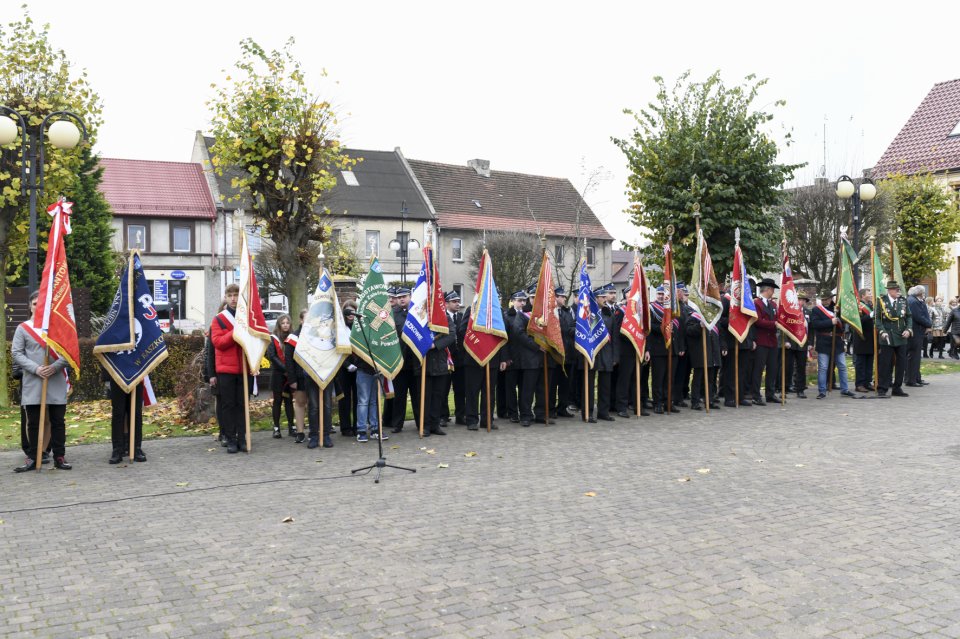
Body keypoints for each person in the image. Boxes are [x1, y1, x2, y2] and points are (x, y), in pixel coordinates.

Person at [13, 291, 72, 472]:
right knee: (33, 422)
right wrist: (36, 368)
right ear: (30, 307)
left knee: (58, 421)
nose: (37, 307)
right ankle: (33, 457)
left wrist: (54, 367)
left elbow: (68, 352)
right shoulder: (23, 328)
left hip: (55, 379)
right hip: (33, 380)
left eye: (41, 304)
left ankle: (59, 457)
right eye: (34, 304)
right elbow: (16, 353)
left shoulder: (59, 328)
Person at [210, 283, 252, 454]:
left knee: (242, 405)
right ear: (226, 298)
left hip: (244, 369)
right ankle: (231, 439)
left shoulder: (247, 318)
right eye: (230, 296)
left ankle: (242, 438)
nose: (234, 299)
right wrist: (235, 331)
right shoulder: (219, 319)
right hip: (226, 370)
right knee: (228, 405)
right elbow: (218, 343)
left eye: (236, 295)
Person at [809, 290, 855, 399]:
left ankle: (845, 389)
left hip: (837, 340)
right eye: (823, 299)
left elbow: (843, 323)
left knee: (842, 366)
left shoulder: (837, 309)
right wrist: (830, 322)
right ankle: (822, 391)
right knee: (823, 367)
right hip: (824, 340)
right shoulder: (816, 310)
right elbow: (815, 324)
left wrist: (838, 320)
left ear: (831, 298)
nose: (825, 301)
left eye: (827, 299)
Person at [876, 280, 913, 397]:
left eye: (898, 289)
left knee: (901, 363)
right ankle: (882, 388)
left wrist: (908, 329)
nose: (898, 291)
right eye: (896, 289)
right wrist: (882, 331)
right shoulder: (881, 301)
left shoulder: (903, 301)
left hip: (901, 336)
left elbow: (909, 316)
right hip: (887, 336)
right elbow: (877, 319)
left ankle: (897, 388)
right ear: (890, 290)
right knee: (885, 364)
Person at [103, 367, 146, 464]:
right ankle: (117, 450)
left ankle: (136, 448)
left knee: (136, 414)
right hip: (116, 375)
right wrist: (106, 378)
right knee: (118, 414)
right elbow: (104, 353)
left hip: (136, 375)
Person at [750, 278, 780, 405]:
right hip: (761, 340)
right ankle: (755, 395)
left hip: (772, 341)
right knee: (758, 369)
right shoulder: (756, 303)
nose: (773, 292)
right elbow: (758, 321)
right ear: (767, 289)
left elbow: (777, 318)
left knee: (772, 369)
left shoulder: (773, 305)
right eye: (772, 289)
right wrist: (774, 324)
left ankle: (770, 394)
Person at [266, 314, 294, 439]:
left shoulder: (293, 337)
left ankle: (291, 427)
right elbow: (272, 356)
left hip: (289, 376)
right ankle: (276, 428)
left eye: (287, 323)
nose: (285, 325)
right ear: (279, 324)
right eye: (283, 323)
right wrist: (285, 369)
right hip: (278, 375)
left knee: (289, 401)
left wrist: (291, 371)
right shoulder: (273, 338)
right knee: (277, 402)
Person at [283, 309, 309, 443]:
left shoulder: (317, 336)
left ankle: (314, 430)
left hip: (314, 377)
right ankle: (300, 432)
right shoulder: (293, 338)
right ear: (300, 320)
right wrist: (292, 380)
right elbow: (288, 361)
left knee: (314, 404)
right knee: (300, 403)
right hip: (299, 377)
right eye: (306, 319)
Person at [782, 290, 812, 398]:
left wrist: (810, 342)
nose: (800, 302)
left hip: (803, 343)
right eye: (798, 299)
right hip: (791, 343)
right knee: (788, 368)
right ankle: (784, 389)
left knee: (801, 367)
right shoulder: (789, 312)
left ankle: (800, 389)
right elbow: (784, 328)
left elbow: (811, 329)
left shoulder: (808, 313)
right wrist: (785, 340)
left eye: (802, 300)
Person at [443, 291, 466, 425]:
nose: (457, 304)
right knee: (443, 389)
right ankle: (443, 416)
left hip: (460, 360)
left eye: (458, 301)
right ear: (446, 304)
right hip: (446, 359)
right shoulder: (442, 318)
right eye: (454, 301)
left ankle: (460, 415)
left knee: (460, 389)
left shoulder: (462, 317)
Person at [335, 303, 358, 438]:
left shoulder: (359, 328)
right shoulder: (340, 329)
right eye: (348, 311)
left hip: (358, 368)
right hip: (344, 369)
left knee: (357, 398)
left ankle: (357, 426)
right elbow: (337, 350)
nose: (350, 314)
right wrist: (347, 365)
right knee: (344, 399)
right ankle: (345, 427)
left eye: (353, 311)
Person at [905, 286, 931, 387]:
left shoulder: (914, 300)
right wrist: (929, 324)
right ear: (920, 292)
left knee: (915, 357)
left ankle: (915, 378)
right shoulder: (913, 301)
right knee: (913, 357)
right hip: (915, 332)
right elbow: (917, 316)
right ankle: (911, 380)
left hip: (917, 331)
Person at [852, 289, 875, 393]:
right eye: (868, 293)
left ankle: (867, 382)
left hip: (870, 338)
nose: (870, 295)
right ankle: (859, 384)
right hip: (861, 338)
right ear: (862, 296)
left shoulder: (870, 306)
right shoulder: (858, 307)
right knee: (861, 363)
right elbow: (858, 322)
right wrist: (870, 316)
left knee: (869, 363)